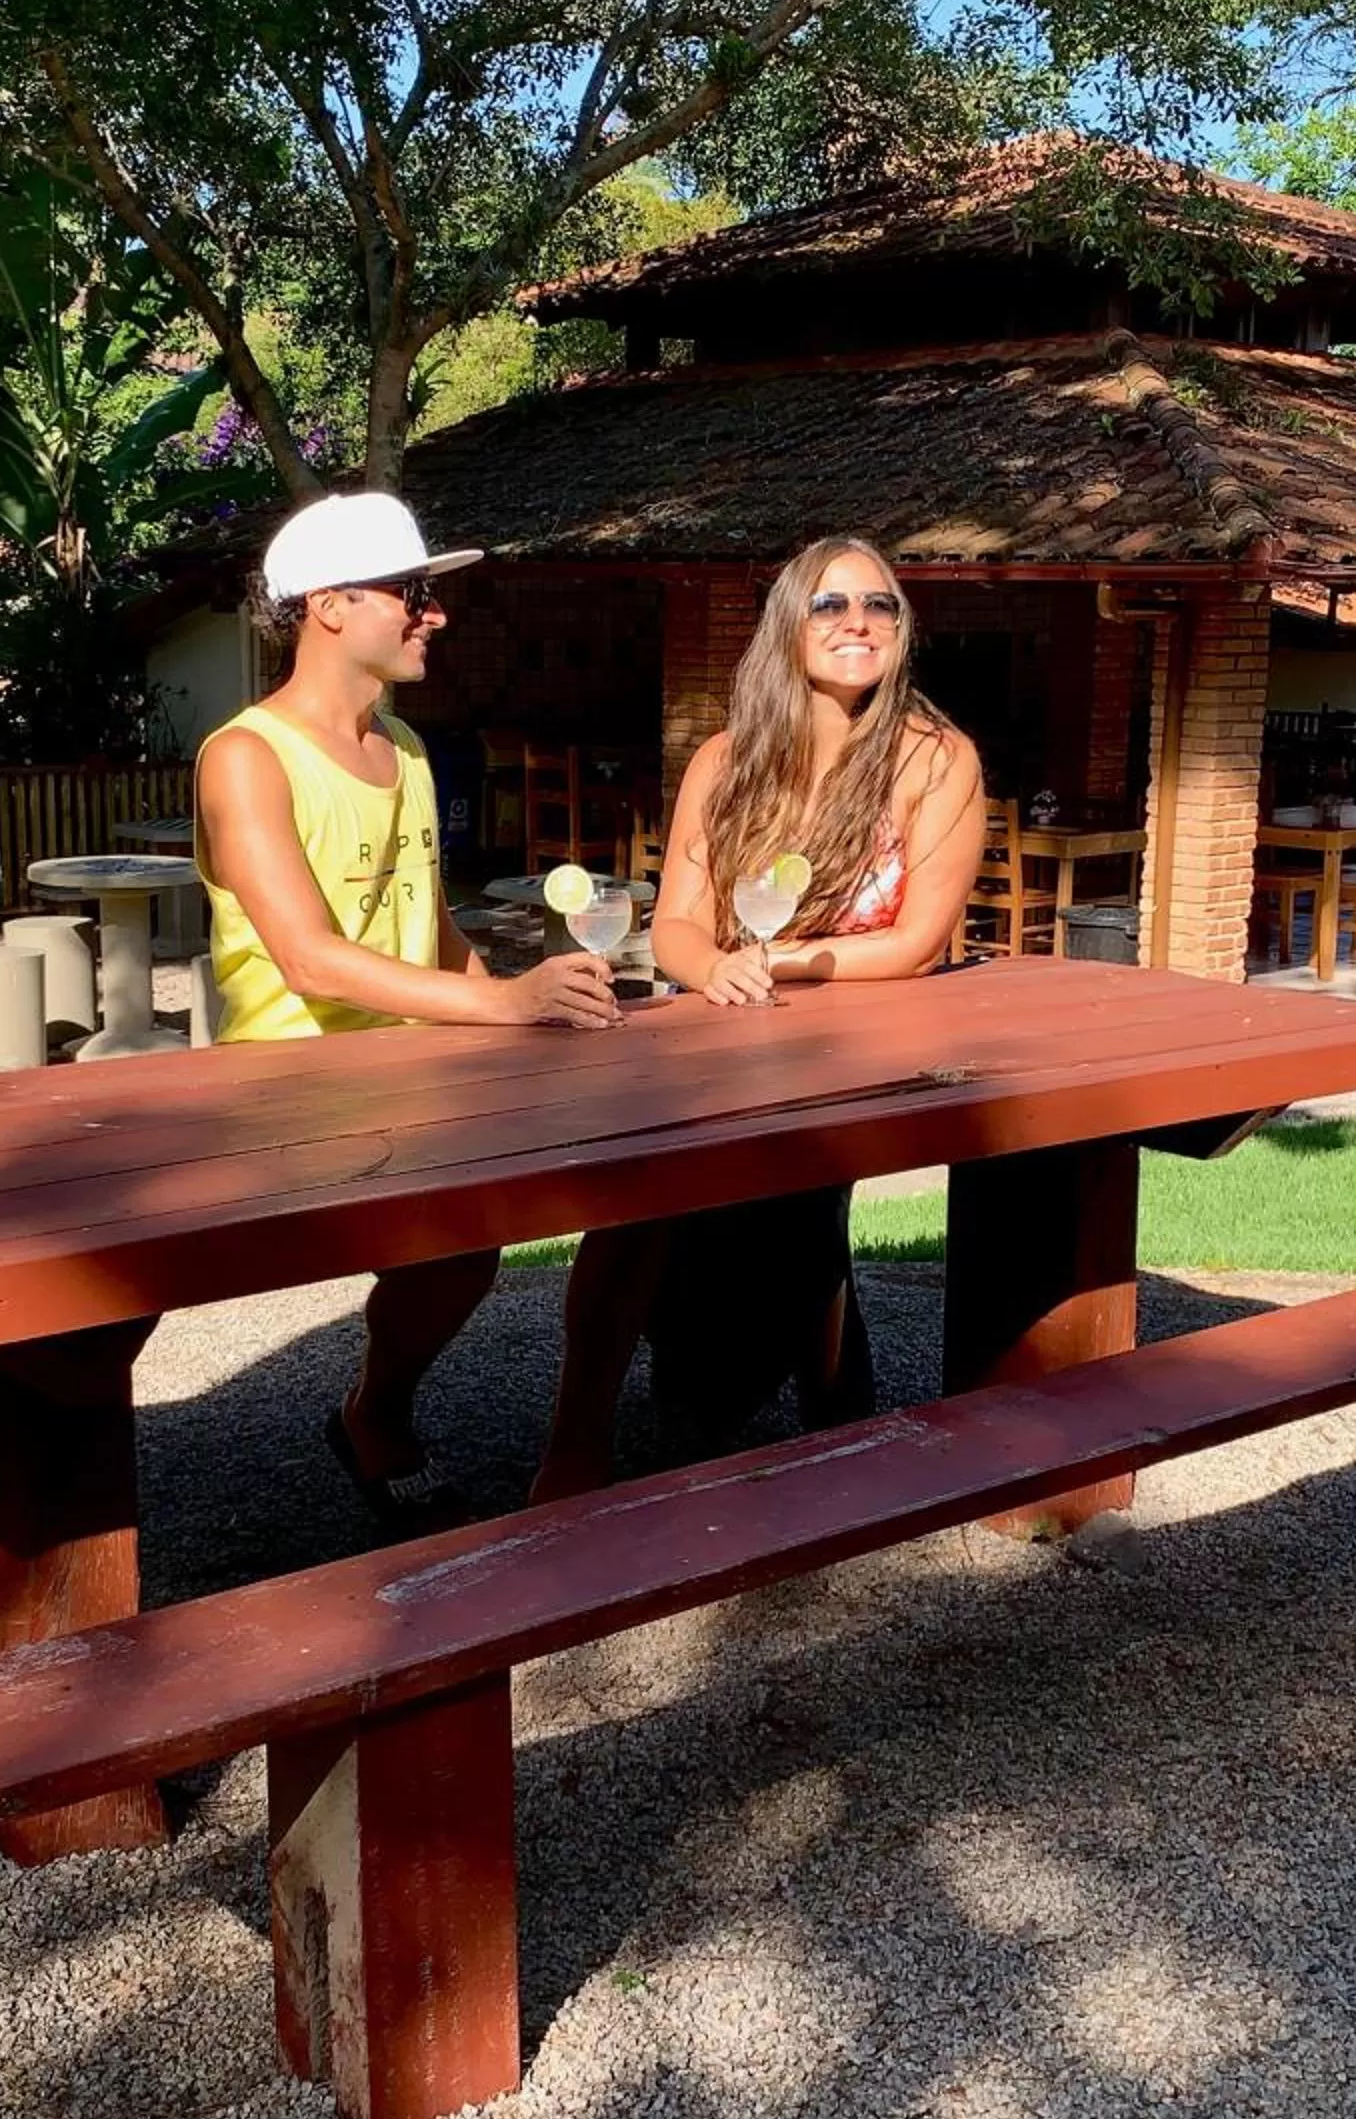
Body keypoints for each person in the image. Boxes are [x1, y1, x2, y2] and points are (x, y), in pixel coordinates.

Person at [530, 535, 986, 1500]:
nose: (858, 621)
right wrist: (721, 972)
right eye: (830, 606)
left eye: (880, 605)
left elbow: (917, 945)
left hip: (861, 1039)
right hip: (726, 1033)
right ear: (787, 626)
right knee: (637, 1190)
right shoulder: (726, 760)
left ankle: (818, 1427)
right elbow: (678, 928)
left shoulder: (936, 761)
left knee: (795, 1198)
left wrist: (768, 959)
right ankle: (577, 1444)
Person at [196, 490, 619, 1525]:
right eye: (413, 594)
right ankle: (383, 1414)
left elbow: (434, 936)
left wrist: (533, 1019)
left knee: (620, 1159)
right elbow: (312, 963)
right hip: (285, 1088)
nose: (435, 615)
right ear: (329, 605)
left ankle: (391, 1413)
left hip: (414, 1076)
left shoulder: (408, 750)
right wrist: (511, 1009)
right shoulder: (244, 756)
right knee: (474, 1219)